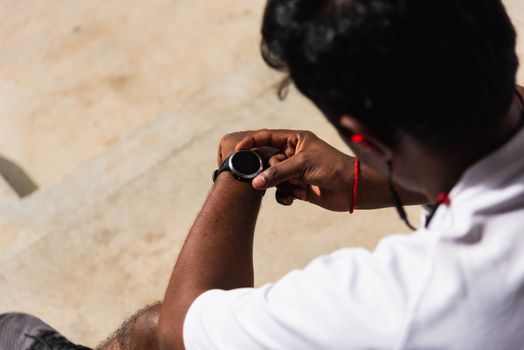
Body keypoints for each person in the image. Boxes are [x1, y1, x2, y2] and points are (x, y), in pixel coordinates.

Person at [2, 0, 523, 348]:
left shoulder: (399, 301)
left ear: (360, 135)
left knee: (144, 329)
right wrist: (370, 180)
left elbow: (185, 327)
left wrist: (237, 172)